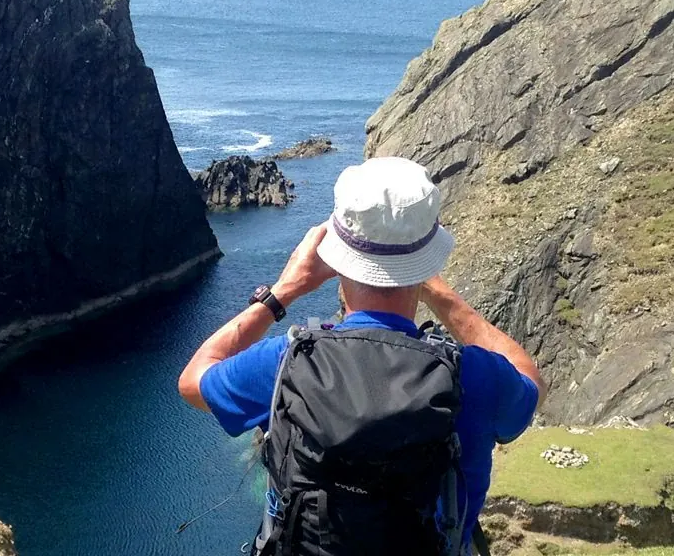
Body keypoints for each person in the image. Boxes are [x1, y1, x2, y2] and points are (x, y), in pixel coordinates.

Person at [177, 156, 542, 556]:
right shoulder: (476, 376)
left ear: (332, 254)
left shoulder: (285, 361)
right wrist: (442, 296)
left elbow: (193, 382)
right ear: (427, 262)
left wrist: (282, 293)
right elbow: (531, 382)